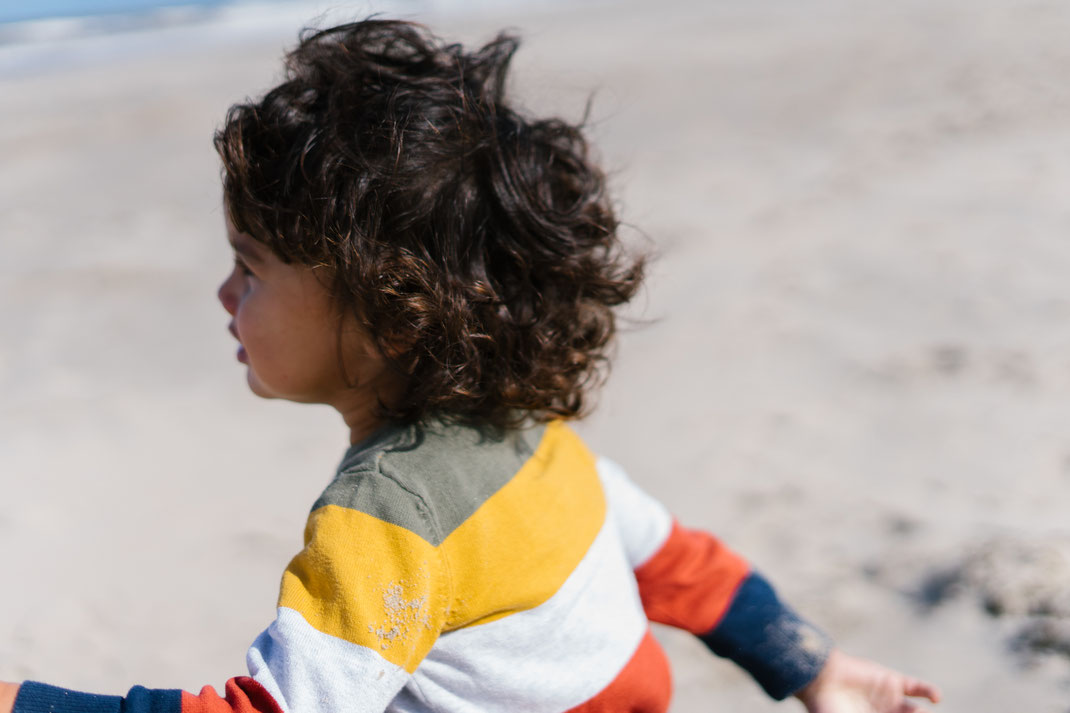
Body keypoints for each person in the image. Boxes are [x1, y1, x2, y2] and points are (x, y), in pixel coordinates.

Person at [0, 19, 941, 713]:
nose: (222, 295)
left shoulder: (384, 519)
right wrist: (812, 665)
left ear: (389, 309)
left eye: (249, 266)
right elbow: (677, 562)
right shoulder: (534, 433)